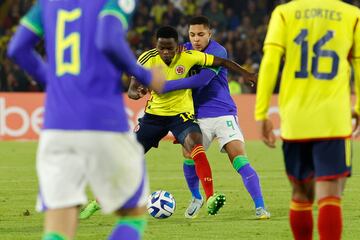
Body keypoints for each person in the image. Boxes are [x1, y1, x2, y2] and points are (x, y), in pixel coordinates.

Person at [7, 1, 166, 240]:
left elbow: (17, 48)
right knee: (133, 213)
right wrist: (146, 76)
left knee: (58, 227)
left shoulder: (46, 3)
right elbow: (108, 39)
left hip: (56, 127)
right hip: (103, 122)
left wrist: (52, 81)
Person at [80, 25, 257, 220]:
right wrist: (136, 93)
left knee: (195, 146)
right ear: (156, 46)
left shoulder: (189, 56)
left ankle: (210, 198)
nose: (165, 53)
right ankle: (98, 201)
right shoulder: (146, 59)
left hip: (181, 115)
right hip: (153, 117)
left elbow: (222, 61)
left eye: (169, 48)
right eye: (161, 48)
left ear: (177, 46)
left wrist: (246, 73)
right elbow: (132, 89)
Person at [255, 1, 360, 239]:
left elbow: (270, 62)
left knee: (301, 193)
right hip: (333, 119)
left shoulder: (283, 13)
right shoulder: (352, 15)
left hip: (295, 119)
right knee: (330, 193)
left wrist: (261, 113)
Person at [156, 16, 270, 220]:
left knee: (239, 157)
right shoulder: (182, 50)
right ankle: (196, 197)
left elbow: (202, 80)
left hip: (222, 112)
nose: (196, 39)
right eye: (192, 35)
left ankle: (260, 206)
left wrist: (166, 86)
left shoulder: (218, 51)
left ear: (210, 34)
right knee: (188, 155)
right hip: (197, 116)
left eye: (201, 34)